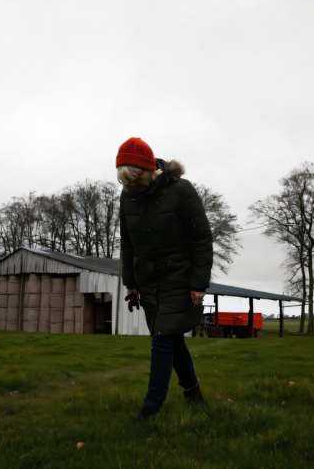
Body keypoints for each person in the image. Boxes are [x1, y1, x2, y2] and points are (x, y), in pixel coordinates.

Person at [117, 137, 213, 419]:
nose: (131, 187)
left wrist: (198, 284)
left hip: (179, 277)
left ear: (149, 172)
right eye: (126, 183)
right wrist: (131, 282)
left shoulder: (181, 191)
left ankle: (150, 408)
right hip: (148, 281)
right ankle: (193, 394)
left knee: (162, 337)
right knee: (172, 338)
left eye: (135, 181)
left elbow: (201, 239)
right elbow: (127, 242)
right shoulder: (128, 196)